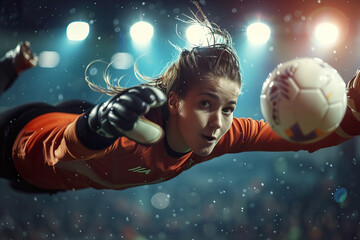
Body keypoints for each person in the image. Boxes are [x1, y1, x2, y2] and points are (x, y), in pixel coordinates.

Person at [1, 15, 360, 194]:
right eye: (206, 103)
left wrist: (356, 105)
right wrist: (93, 130)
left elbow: (306, 136)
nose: (219, 122)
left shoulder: (221, 132)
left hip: (80, 126)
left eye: (229, 108)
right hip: (23, 135)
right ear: (175, 102)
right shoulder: (126, 139)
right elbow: (38, 153)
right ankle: (10, 67)